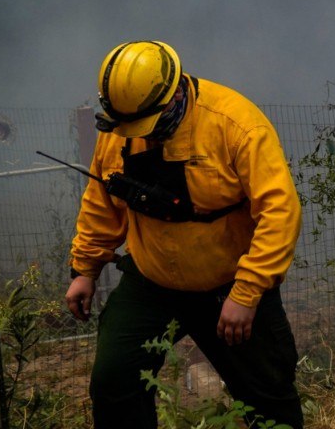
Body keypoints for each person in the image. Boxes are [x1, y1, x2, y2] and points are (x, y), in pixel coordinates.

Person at [64, 40, 303, 428]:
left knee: (269, 396)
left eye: (149, 124)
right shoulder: (123, 123)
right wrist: (84, 269)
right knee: (114, 381)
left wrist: (247, 292)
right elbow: (101, 201)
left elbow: (280, 212)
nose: (145, 135)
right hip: (151, 284)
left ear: (174, 93)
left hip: (229, 285)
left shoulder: (236, 125)